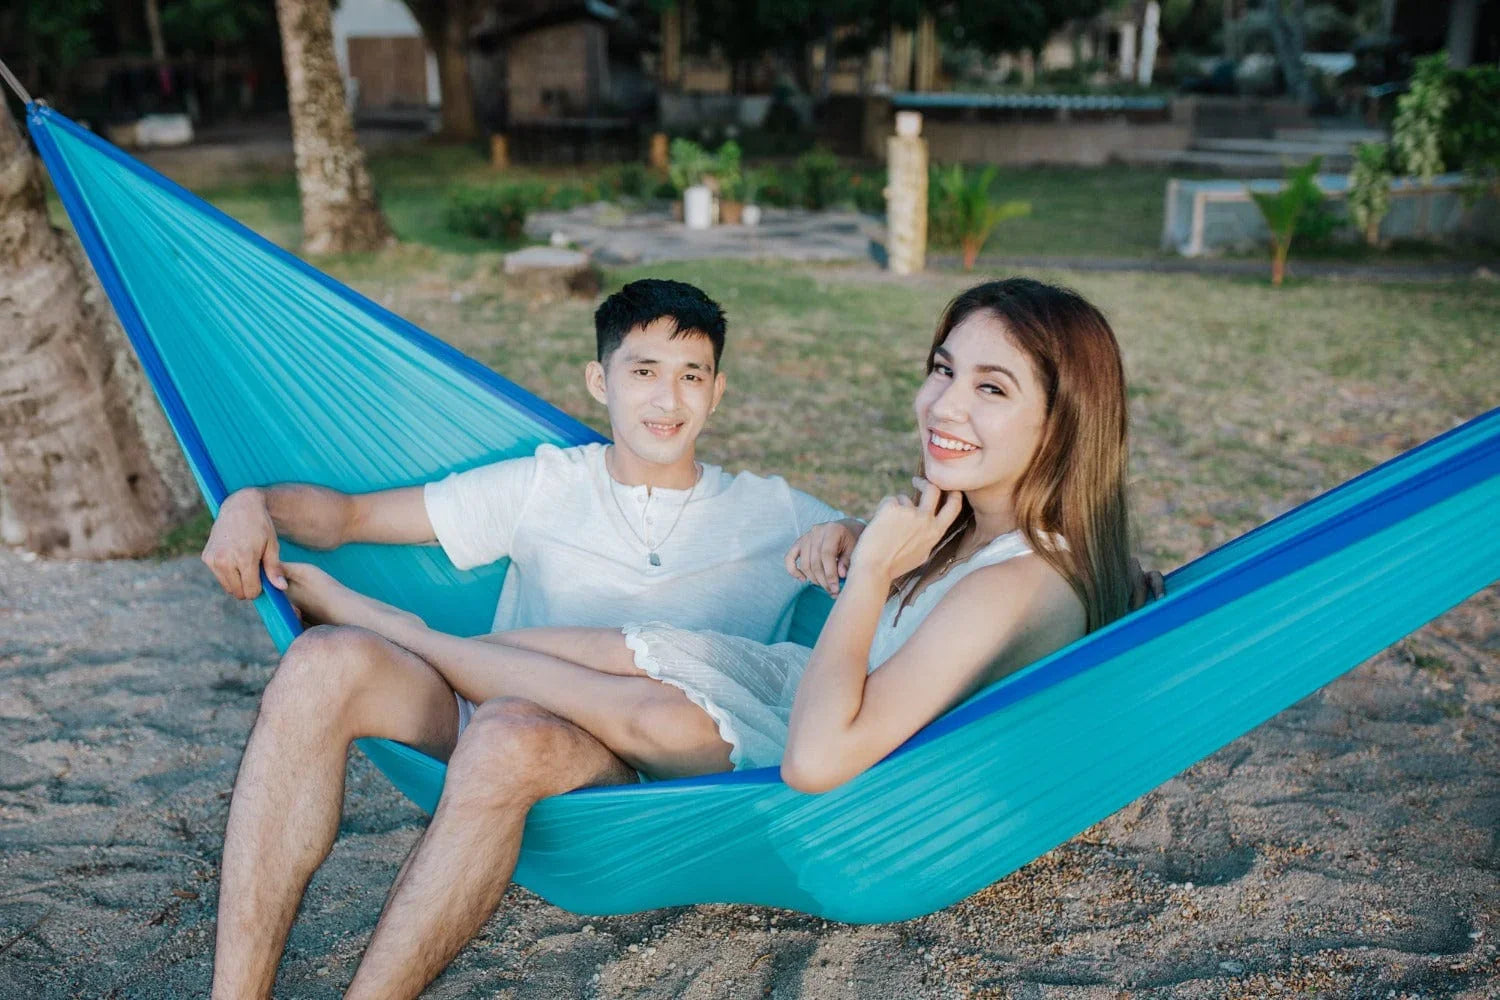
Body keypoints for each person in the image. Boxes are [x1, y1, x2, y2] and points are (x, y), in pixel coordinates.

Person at [280, 276, 1146, 995]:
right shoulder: (977, 530)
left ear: (1060, 421)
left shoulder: (1014, 585)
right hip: (803, 683)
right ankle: (410, 637)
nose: (943, 406)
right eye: (942, 369)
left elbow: (816, 763)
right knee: (600, 645)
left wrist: (874, 569)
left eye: (992, 389)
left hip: (832, 766)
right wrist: (863, 540)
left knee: (638, 703)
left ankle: (394, 628)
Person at [203, 279, 864, 999]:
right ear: (598, 380)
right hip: (481, 705)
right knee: (320, 660)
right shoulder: (547, 483)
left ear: (717, 391)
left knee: (509, 733)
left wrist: (853, 534)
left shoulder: (772, 511)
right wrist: (251, 503)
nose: (667, 401)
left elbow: (909, 574)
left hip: (635, 777)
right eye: (643, 372)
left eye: (690, 377)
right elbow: (349, 518)